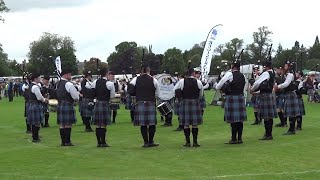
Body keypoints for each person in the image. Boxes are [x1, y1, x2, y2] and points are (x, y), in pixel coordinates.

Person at [216, 59, 246, 144]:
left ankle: (233, 139)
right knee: (240, 120)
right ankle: (239, 138)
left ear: (232, 66)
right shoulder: (242, 75)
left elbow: (219, 85)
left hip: (232, 97)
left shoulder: (229, 74)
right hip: (240, 97)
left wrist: (218, 86)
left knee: (233, 120)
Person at [129, 66, 160, 148]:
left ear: (141, 71)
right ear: (148, 71)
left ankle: (145, 142)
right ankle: (151, 141)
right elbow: (157, 93)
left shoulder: (136, 79)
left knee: (143, 124)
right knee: (152, 124)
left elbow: (129, 89)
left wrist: (136, 93)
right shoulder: (154, 80)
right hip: (150, 102)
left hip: (140, 103)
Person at [174, 68, 203, 147]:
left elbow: (175, 90)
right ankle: (195, 142)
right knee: (195, 124)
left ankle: (187, 142)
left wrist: (180, 97)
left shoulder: (181, 81)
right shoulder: (198, 82)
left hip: (185, 102)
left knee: (186, 124)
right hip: (195, 102)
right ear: (193, 73)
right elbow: (201, 94)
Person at [251, 60, 277, 140]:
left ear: (266, 66)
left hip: (264, 96)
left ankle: (268, 134)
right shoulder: (272, 73)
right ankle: (269, 133)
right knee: (269, 117)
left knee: (266, 116)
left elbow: (257, 83)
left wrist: (252, 89)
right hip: (269, 95)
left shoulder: (266, 73)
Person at [274, 61, 300, 135]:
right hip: (288, 94)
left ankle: (292, 129)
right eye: (284, 66)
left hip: (290, 94)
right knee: (291, 113)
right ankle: (292, 129)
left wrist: (277, 86)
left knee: (292, 113)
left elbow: (286, 84)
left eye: (285, 66)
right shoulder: (285, 75)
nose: (284, 68)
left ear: (289, 67)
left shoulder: (290, 75)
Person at [92, 68, 115, 147]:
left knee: (98, 124)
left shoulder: (95, 82)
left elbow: (93, 92)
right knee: (103, 124)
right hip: (105, 104)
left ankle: (99, 142)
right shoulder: (110, 84)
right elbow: (112, 96)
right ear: (106, 74)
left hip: (97, 103)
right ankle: (103, 142)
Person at [56, 69, 79, 146]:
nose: (70, 76)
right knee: (68, 124)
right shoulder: (68, 84)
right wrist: (76, 100)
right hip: (67, 104)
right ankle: (67, 141)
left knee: (62, 124)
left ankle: (63, 142)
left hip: (60, 104)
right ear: (65, 75)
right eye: (69, 74)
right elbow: (75, 96)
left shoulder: (58, 83)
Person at [28, 73, 48, 143]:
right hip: (36, 105)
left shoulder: (31, 85)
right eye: (39, 78)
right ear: (35, 79)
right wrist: (45, 100)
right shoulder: (35, 87)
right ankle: (35, 138)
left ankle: (35, 136)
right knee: (37, 122)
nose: (40, 79)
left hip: (32, 104)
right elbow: (39, 97)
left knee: (35, 122)